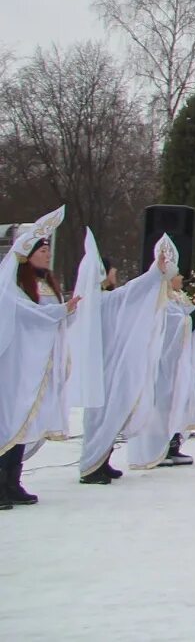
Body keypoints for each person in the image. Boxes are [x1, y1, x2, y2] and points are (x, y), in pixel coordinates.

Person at [74, 231, 181, 484]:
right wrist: (155, 271)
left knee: (110, 411)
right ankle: (91, 464)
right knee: (100, 414)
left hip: (108, 365)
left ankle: (101, 459)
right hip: (103, 367)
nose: (115, 275)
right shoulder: (102, 301)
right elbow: (132, 292)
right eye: (111, 271)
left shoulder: (104, 300)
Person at [2, 208, 77, 509]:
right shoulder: (13, 286)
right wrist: (61, 311)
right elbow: (27, 315)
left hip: (37, 364)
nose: (47, 255)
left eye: (48, 250)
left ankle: (12, 481)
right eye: (42, 250)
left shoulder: (46, 284)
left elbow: (53, 321)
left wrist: (68, 312)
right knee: (9, 419)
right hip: (15, 363)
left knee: (24, 421)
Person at [127, 264, 195, 471]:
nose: (181, 277)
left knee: (178, 400)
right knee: (161, 404)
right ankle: (157, 448)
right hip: (163, 362)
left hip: (181, 361)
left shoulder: (178, 297)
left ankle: (174, 443)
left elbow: (193, 322)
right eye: (177, 274)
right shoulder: (160, 300)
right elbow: (177, 327)